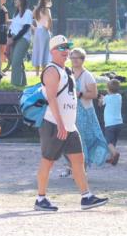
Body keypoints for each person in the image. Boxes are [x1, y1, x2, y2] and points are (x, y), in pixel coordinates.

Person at [34, 35, 109, 212]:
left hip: (69, 125)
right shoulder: (51, 70)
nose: (65, 51)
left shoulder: (66, 71)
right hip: (54, 124)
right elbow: (51, 98)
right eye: (61, 48)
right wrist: (60, 123)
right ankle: (40, 198)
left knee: (78, 160)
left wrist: (67, 124)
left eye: (67, 47)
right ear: (52, 51)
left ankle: (86, 196)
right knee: (48, 161)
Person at [71, 48, 111, 169]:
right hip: (70, 111)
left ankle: (82, 167)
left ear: (82, 60)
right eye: (72, 58)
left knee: (83, 139)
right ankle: (72, 166)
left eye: (76, 58)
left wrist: (80, 94)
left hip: (84, 112)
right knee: (71, 140)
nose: (73, 60)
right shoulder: (68, 73)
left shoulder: (87, 76)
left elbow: (94, 94)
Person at [5, 0, 32, 86]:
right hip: (13, 39)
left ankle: (14, 85)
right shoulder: (15, 14)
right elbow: (11, 28)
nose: (14, 1)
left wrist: (14, 39)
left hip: (23, 39)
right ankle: (23, 84)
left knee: (16, 62)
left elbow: (26, 28)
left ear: (22, 0)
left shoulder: (28, 12)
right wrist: (9, 38)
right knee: (16, 61)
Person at [102, 79, 123, 165]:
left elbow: (101, 103)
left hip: (110, 123)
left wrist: (101, 99)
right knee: (113, 141)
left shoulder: (107, 98)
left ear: (108, 89)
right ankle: (112, 158)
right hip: (119, 123)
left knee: (108, 141)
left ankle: (115, 153)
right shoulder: (119, 96)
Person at [31, 0, 53, 77]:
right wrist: (47, 28)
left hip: (37, 31)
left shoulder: (36, 9)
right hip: (44, 31)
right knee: (45, 51)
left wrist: (34, 28)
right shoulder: (46, 9)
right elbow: (50, 20)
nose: (50, 2)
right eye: (49, 0)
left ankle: (37, 73)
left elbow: (29, 19)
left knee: (37, 50)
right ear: (45, 0)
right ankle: (43, 72)